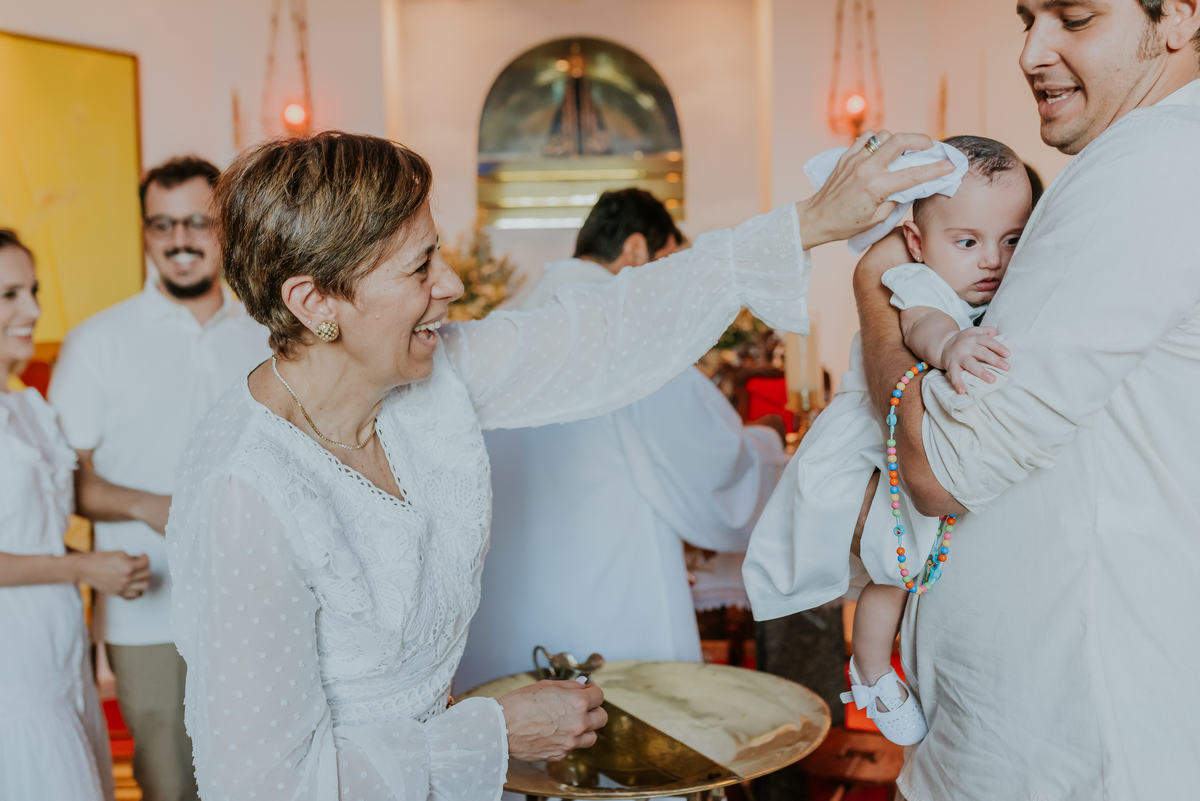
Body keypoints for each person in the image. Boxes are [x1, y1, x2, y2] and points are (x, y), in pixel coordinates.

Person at [164, 129, 950, 800]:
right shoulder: (247, 491)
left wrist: (804, 225)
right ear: (314, 302)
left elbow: (605, 328)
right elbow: (267, 787)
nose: (454, 284)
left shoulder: (428, 386)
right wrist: (492, 732)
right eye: (418, 267)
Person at [852, 1, 1200, 797]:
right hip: (1026, 734)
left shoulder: (1151, 165)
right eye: (1027, 18)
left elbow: (940, 467)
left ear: (1179, 15)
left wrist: (874, 291)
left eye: (1074, 17)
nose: (1033, 50)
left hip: (1065, 743)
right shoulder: (1138, 165)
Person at [743, 137, 1032, 745]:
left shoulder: (999, 289)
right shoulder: (919, 283)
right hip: (867, 443)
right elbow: (923, 326)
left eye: (1011, 239)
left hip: (913, 447)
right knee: (892, 571)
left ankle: (879, 667)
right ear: (920, 244)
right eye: (969, 241)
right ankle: (872, 669)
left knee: (908, 572)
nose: (993, 260)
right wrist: (950, 346)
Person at [455, 189, 789, 695]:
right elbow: (711, 462)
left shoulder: (505, 320)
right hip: (611, 607)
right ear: (635, 251)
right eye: (670, 263)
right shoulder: (628, 327)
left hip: (501, 608)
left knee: (522, 766)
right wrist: (765, 441)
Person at [48, 157, 270, 801]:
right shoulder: (98, 342)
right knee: (169, 784)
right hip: (148, 614)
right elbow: (61, 483)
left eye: (198, 222)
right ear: (145, 233)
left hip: (260, 598)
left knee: (264, 777)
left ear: (225, 227)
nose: (179, 240)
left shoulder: (268, 335)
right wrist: (152, 506)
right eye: (162, 224)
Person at [0, 229, 152, 801]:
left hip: (56, 655)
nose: (33, 309)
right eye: (9, 295)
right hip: (10, 673)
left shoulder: (28, 408)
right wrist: (82, 568)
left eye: (32, 290)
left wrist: (94, 563)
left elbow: (27, 537)